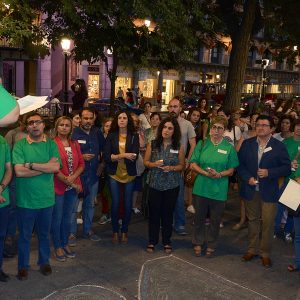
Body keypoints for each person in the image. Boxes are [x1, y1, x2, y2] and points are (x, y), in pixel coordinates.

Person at [238, 115, 291, 268]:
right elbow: (239, 165)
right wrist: (247, 177)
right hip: (251, 189)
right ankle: (251, 250)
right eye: (258, 124)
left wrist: (269, 172)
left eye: (264, 125)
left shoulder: (278, 146)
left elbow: (286, 168)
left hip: (269, 191)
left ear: (272, 129)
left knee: (268, 223)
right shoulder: (248, 144)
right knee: (253, 221)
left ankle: (265, 253)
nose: (260, 127)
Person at [13, 112, 61, 280]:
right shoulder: (20, 145)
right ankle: (23, 266)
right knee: (25, 235)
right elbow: (19, 171)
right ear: (27, 127)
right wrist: (44, 167)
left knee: (43, 234)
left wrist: (31, 165)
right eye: (31, 122)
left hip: (46, 199)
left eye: (37, 122)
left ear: (43, 125)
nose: (34, 125)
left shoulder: (51, 144)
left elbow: (55, 168)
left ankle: (44, 261)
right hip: (26, 200)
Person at [190, 116, 239, 257]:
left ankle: (211, 243)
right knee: (199, 218)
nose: (216, 130)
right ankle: (198, 242)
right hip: (201, 187)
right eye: (214, 127)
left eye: (220, 128)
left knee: (215, 220)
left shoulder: (229, 148)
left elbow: (232, 169)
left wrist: (219, 174)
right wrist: (204, 173)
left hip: (219, 189)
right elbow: (193, 164)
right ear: (210, 129)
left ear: (224, 131)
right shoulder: (202, 143)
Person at [144, 117, 185, 254]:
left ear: (175, 131)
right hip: (154, 184)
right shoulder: (153, 144)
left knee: (167, 214)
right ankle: (152, 240)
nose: (166, 130)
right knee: (154, 214)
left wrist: (171, 168)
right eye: (164, 127)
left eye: (170, 128)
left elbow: (182, 166)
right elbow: (146, 162)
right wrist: (153, 164)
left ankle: (167, 241)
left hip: (171, 185)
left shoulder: (178, 146)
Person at [103, 111, 139, 244]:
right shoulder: (111, 136)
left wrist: (116, 156)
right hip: (114, 173)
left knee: (128, 204)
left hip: (129, 173)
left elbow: (134, 157)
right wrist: (123, 155)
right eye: (119, 118)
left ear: (128, 120)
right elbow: (107, 157)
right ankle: (114, 231)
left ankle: (124, 231)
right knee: (116, 203)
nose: (122, 120)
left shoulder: (134, 136)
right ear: (116, 121)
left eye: (125, 118)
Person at [52, 117, 85, 261]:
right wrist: (69, 181)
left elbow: (82, 164)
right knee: (57, 218)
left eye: (67, 125)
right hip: (59, 186)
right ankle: (58, 246)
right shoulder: (52, 144)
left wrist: (72, 179)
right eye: (61, 125)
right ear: (57, 127)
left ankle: (65, 243)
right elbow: (54, 168)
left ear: (71, 128)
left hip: (73, 187)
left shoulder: (75, 143)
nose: (64, 127)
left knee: (67, 218)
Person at [71, 108, 105, 243]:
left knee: (90, 205)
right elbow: (67, 154)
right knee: (74, 206)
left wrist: (102, 165)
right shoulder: (73, 133)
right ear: (80, 119)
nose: (88, 121)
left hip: (93, 176)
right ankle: (71, 233)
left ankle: (87, 230)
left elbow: (105, 150)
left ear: (94, 118)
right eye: (85, 118)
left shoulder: (97, 132)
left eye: (90, 118)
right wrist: (81, 157)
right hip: (77, 176)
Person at [168, 97, 196, 235]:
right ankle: (167, 222)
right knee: (165, 195)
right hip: (165, 164)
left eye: (175, 106)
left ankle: (179, 224)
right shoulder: (164, 124)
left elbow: (193, 145)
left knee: (178, 197)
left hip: (180, 165)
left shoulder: (187, 124)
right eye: (171, 106)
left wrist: (187, 162)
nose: (173, 109)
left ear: (180, 108)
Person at [0, 135, 13, 282]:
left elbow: (9, 168)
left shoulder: (2, 141)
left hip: (3, 200)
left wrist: (1, 187)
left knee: (1, 236)